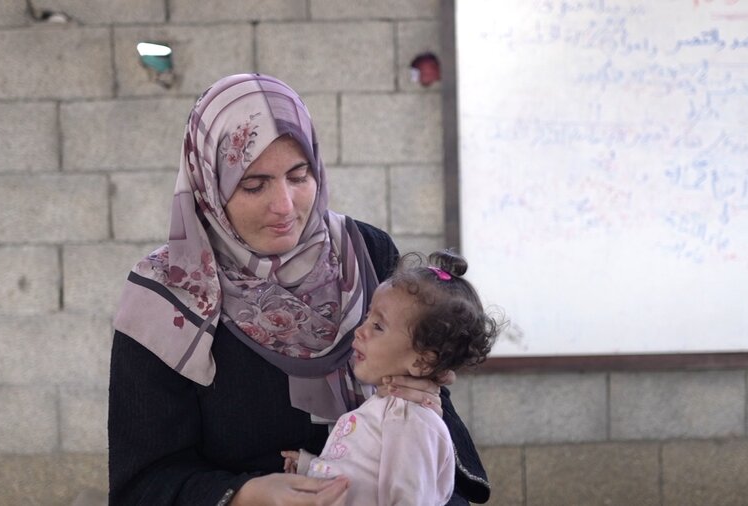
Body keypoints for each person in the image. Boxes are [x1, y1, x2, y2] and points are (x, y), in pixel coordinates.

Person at [107, 73, 490, 506]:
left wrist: (431, 404)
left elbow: (424, 413)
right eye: (253, 185)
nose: (285, 206)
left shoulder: (366, 252)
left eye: (298, 175)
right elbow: (143, 483)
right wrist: (243, 495)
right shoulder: (167, 294)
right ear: (208, 187)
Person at [281, 250, 499, 505]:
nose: (360, 331)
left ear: (421, 361)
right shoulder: (386, 409)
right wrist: (312, 468)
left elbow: (408, 499)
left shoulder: (412, 424)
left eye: (378, 326)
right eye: (367, 317)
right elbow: (363, 477)